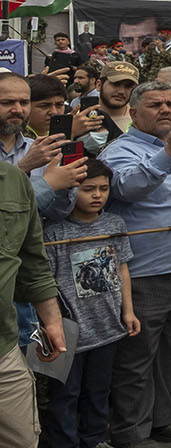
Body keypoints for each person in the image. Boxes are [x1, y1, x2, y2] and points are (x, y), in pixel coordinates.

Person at [96, 79, 171, 446]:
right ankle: (130, 432)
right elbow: (127, 187)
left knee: (167, 355)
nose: (165, 109)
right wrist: (169, 154)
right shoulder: (120, 151)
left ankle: (160, 420)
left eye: (169, 103)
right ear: (132, 112)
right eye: (155, 104)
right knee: (136, 359)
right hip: (147, 275)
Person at [43, 159, 142, 448]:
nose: (97, 195)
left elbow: (122, 267)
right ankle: (65, 442)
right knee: (65, 393)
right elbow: (45, 282)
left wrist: (128, 310)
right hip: (68, 331)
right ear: (70, 190)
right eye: (88, 189)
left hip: (106, 325)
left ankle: (94, 439)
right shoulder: (54, 232)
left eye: (103, 189)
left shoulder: (114, 224)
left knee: (99, 390)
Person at [1, 155, 64, 448]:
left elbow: (32, 261)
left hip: (5, 350)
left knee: (23, 440)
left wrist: (51, 321)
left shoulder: (14, 181)